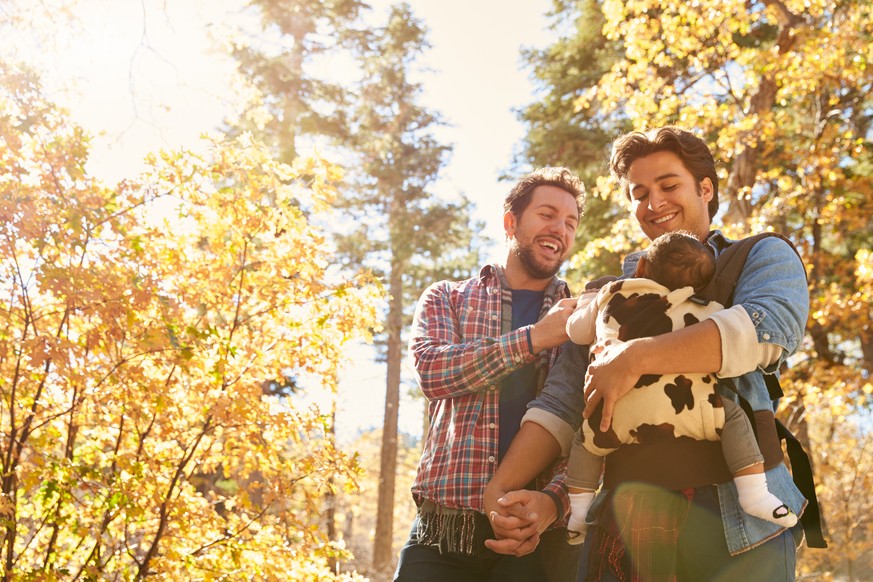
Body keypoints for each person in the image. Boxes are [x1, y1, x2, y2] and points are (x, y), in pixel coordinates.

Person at [484, 126, 810, 581]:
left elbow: (765, 330)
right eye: (639, 193)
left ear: (706, 188)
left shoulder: (759, 257)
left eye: (668, 185)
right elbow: (562, 403)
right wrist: (501, 489)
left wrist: (633, 359)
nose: (653, 203)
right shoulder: (609, 293)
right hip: (624, 520)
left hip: (740, 524)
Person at [393, 167, 585, 582]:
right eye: (548, 215)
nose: (560, 229)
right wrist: (534, 338)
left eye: (570, 223)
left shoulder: (585, 319)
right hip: (442, 537)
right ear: (510, 221)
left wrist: (553, 501)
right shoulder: (447, 297)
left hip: (539, 542)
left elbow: (590, 427)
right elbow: (432, 370)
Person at [562, 230, 797, 544]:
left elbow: (576, 331)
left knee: (586, 443)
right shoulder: (701, 307)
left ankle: (578, 515)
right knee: (735, 419)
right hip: (691, 407)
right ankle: (754, 493)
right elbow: (742, 334)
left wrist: (586, 306)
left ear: (641, 267)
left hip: (615, 413)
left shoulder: (611, 294)